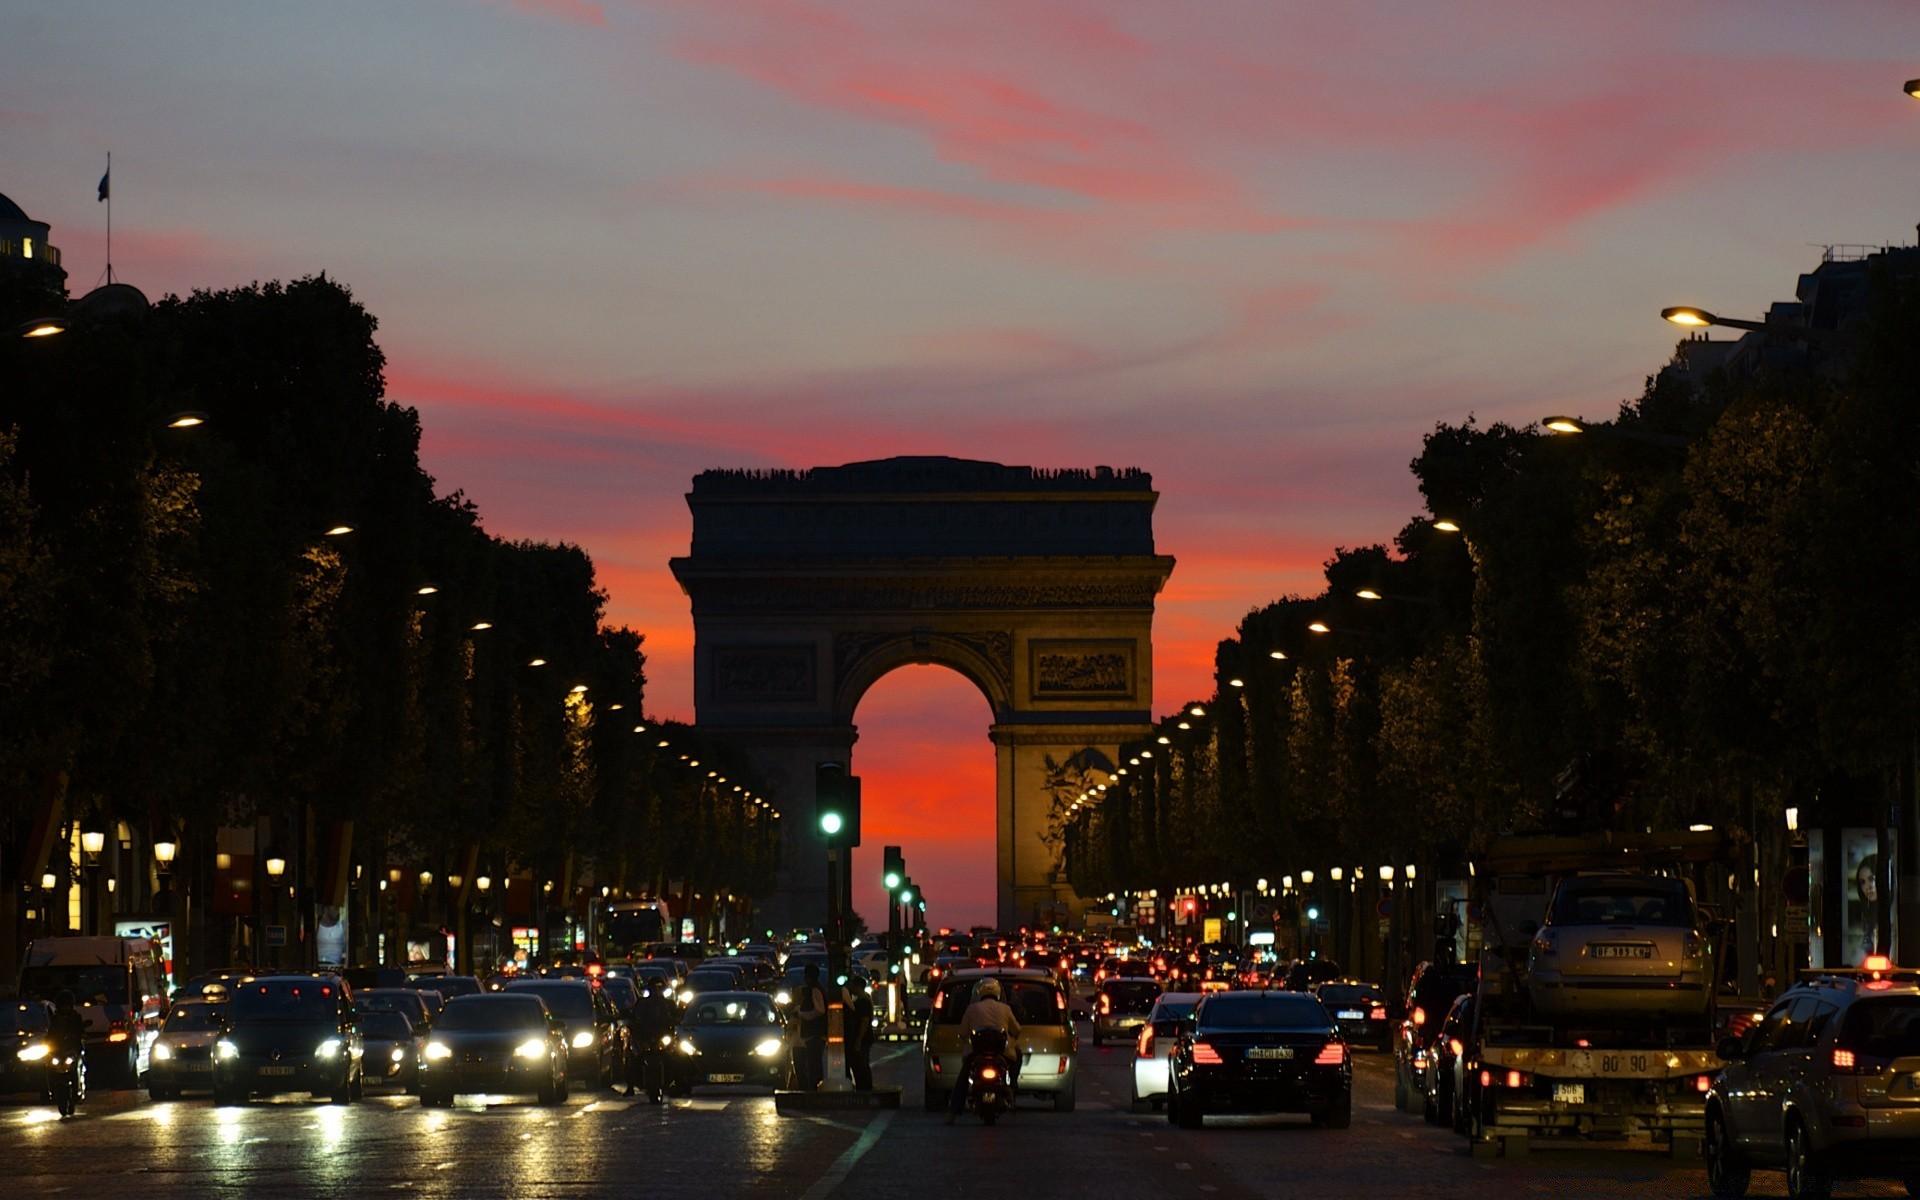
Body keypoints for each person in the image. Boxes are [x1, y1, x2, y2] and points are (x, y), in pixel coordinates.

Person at [947, 978, 1021, 1123]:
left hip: (977, 1052)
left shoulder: (972, 1008)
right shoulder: (1005, 1009)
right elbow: (1017, 1030)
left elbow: (962, 1033)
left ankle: (954, 1111)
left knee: (963, 1077)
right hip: (1000, 1052)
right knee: (1017, 1057)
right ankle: (1012, 1085)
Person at [625, 982, 678, 1102]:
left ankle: (678, 1083)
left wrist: (676, 1022)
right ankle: (630, 1086)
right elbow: (634, 1017)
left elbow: (675, 1017)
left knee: (676, 1057)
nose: (656, 992)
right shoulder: (642, 1003)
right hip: (645, 1037)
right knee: (632, 1059)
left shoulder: (668, 1004)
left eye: (659, 989)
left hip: (662, 1037)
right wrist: (633, 1026)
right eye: (654, 989)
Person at [48, 990, 87, 1114]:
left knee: (76, 1068)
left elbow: (80, 1031)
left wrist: (79, 1038)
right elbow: (50, 1033)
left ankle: (76, 1091)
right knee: (49, 1068)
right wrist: (48, 1043)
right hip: (58, 1051)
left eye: (67, 1005)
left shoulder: (76, 1017)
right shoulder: (54, 1019)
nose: (65, 1007)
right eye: (62, 1005)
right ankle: (52, 1090)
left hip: (72, 1050)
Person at [794, 965, 828, 1091]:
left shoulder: (815, 990)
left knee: (814, 1064)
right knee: (814, 1063)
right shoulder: (816, 989)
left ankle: (814, 1090)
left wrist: (803, 1015)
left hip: (815, 1033)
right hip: (814, 1033)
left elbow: (820, 1010)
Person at [844, 978, 875, 1091]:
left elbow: (864, 1021)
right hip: (865, 1038)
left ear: (857, 986)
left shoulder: (862, 1002)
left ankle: (864, 1088)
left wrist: (858, 1040)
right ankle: (864, 1087)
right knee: (861, 1064)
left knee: (860, 1065)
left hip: (863, 1038)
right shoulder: (866, 999)